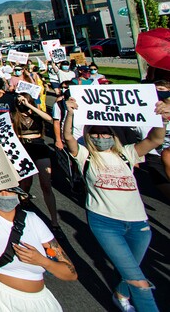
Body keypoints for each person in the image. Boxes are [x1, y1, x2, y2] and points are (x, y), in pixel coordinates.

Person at [64, 97, 168, 312]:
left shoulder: (127, 153)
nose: (100, 137)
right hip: (105, 223)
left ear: (113, 136)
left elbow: (156, 139)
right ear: (88, 136)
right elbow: (68, 138)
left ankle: (120, 294)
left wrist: (160, 116)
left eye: (105, 133)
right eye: (95, 133)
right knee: (139, 281)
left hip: (138, 224)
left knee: (131, 270)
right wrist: (70, 114)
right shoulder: (85, 156)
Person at [0, 150, 77, 312]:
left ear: (20, 194)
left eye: (10, 189)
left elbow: (70, 273)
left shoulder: (32, 219)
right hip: (2, 298)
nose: (5, 193)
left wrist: (42, 260)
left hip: (42, 301)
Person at [11, 93, 61, 236]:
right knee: (25, 184)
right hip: (24, 148)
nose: (21, 103)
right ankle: (23, 203)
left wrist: (29, 105)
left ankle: (54, 221)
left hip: (39, 147)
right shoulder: (15, 115)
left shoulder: (36, 114)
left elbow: (49, 119)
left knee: (46, 184)